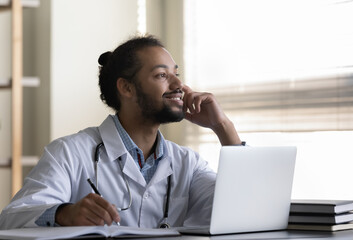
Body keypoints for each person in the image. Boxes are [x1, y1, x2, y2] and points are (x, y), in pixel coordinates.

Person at [0, 35, 242, 230]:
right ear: (126, 87)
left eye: (176, 75)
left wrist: (222, 127)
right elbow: (11, 218)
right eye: (161, 75)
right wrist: (65, 213)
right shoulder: (69, 152)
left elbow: (241, 209)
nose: (179, 85)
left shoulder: (189, 164)